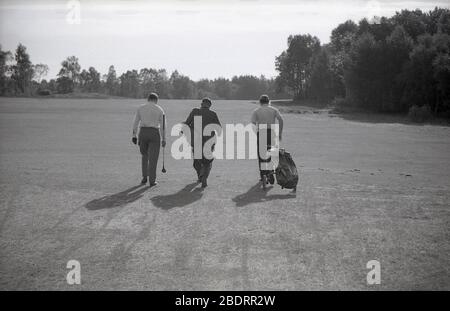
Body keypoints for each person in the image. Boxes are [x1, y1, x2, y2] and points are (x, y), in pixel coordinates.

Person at [183, 98, 221, 188]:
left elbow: (187, 123)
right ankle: (204, 177)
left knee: (197, 161)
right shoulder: (213, 114)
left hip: (197, 140)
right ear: (210, 106)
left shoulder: (195, 111)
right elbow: (219, 128)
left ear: (201, 104)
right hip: (209, 140)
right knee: (207, 161)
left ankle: (200, 176)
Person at [132, 92, 166, 186]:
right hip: (154, 133)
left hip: (142, 132)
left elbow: (135, 122)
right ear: (156, 100)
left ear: (148, 99)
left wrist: (134, 135)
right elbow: (163, 126)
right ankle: (152, 180)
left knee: (144, 156)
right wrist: (164, 139)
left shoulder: (140, 108)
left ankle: (144, 178)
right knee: (153, 158)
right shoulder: (160, 109)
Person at [251, 94, 284, 187]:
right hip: (272, 133)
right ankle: (270, 172)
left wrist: (256, 132)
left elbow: (253, 123)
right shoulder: (273, 109)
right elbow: (281, 120)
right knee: (271, 153)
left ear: (260, 102)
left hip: (261, 132)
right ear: (269, 101)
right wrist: (280, 133)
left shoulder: (256, 111)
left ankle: (263, 175)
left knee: (261, 154)